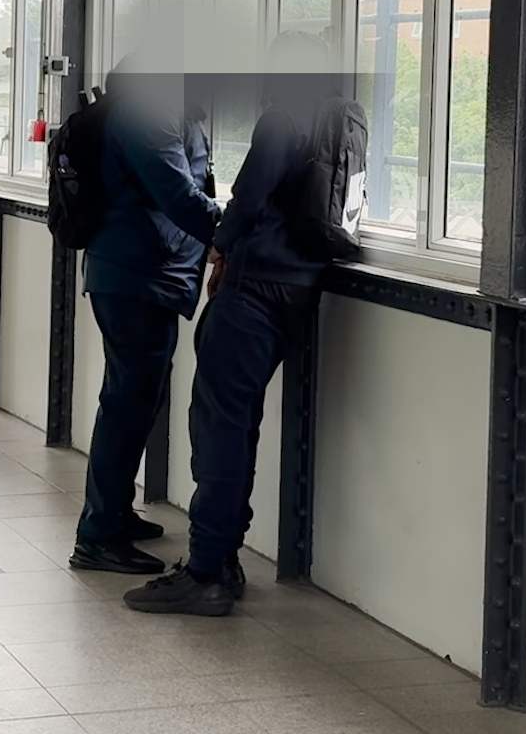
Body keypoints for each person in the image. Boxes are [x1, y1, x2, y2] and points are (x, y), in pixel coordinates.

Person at [123, 32, 335, 616]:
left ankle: (208, 570)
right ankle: (222, 555)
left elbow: (248, 198)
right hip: (301, 286)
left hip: (254, 291)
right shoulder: (339, 117)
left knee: (218, 427)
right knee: (238, 425)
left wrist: (220, 249)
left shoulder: (282, 118)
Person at [69, 58, 221, 576]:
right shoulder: (148, 112)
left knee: (136, 399)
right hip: (137, 275)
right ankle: (98, 534)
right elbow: (178, 195)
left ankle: (111, 514)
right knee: (128, 403)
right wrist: (237, 231)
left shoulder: (168, 109)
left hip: (149, 273)